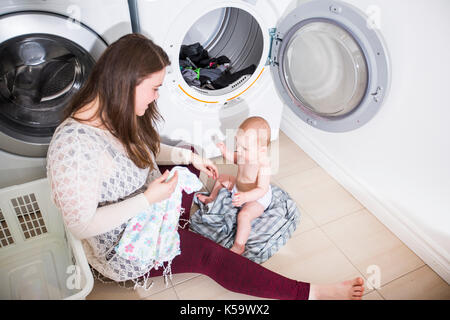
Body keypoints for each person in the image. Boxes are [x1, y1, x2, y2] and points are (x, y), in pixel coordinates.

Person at [46, 33, 365, 300]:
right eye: (154, 88)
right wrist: (149, 200)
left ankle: (183, 223)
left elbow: (145, 145)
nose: (156, 97)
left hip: (149, 199)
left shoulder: (112, 110)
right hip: (126, 242)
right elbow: (80, 225)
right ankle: (313, 294)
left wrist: (190, 159)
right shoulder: (74, 148)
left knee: (188, 151)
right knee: (210, 257)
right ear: (128, 83)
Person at [197, 116, 273, 255]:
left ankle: (239, 245)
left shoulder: (264, 165)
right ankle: (211, 199)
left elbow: (262, 190)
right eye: (237, 144)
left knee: (244, 216)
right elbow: (234, 158)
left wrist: (245, 197)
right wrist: (225, 151)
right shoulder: (244, 154)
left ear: (261, 151)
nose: (239, 150)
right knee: (221, 179)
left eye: (244, 148)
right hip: (239, 187)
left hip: (256, 198)